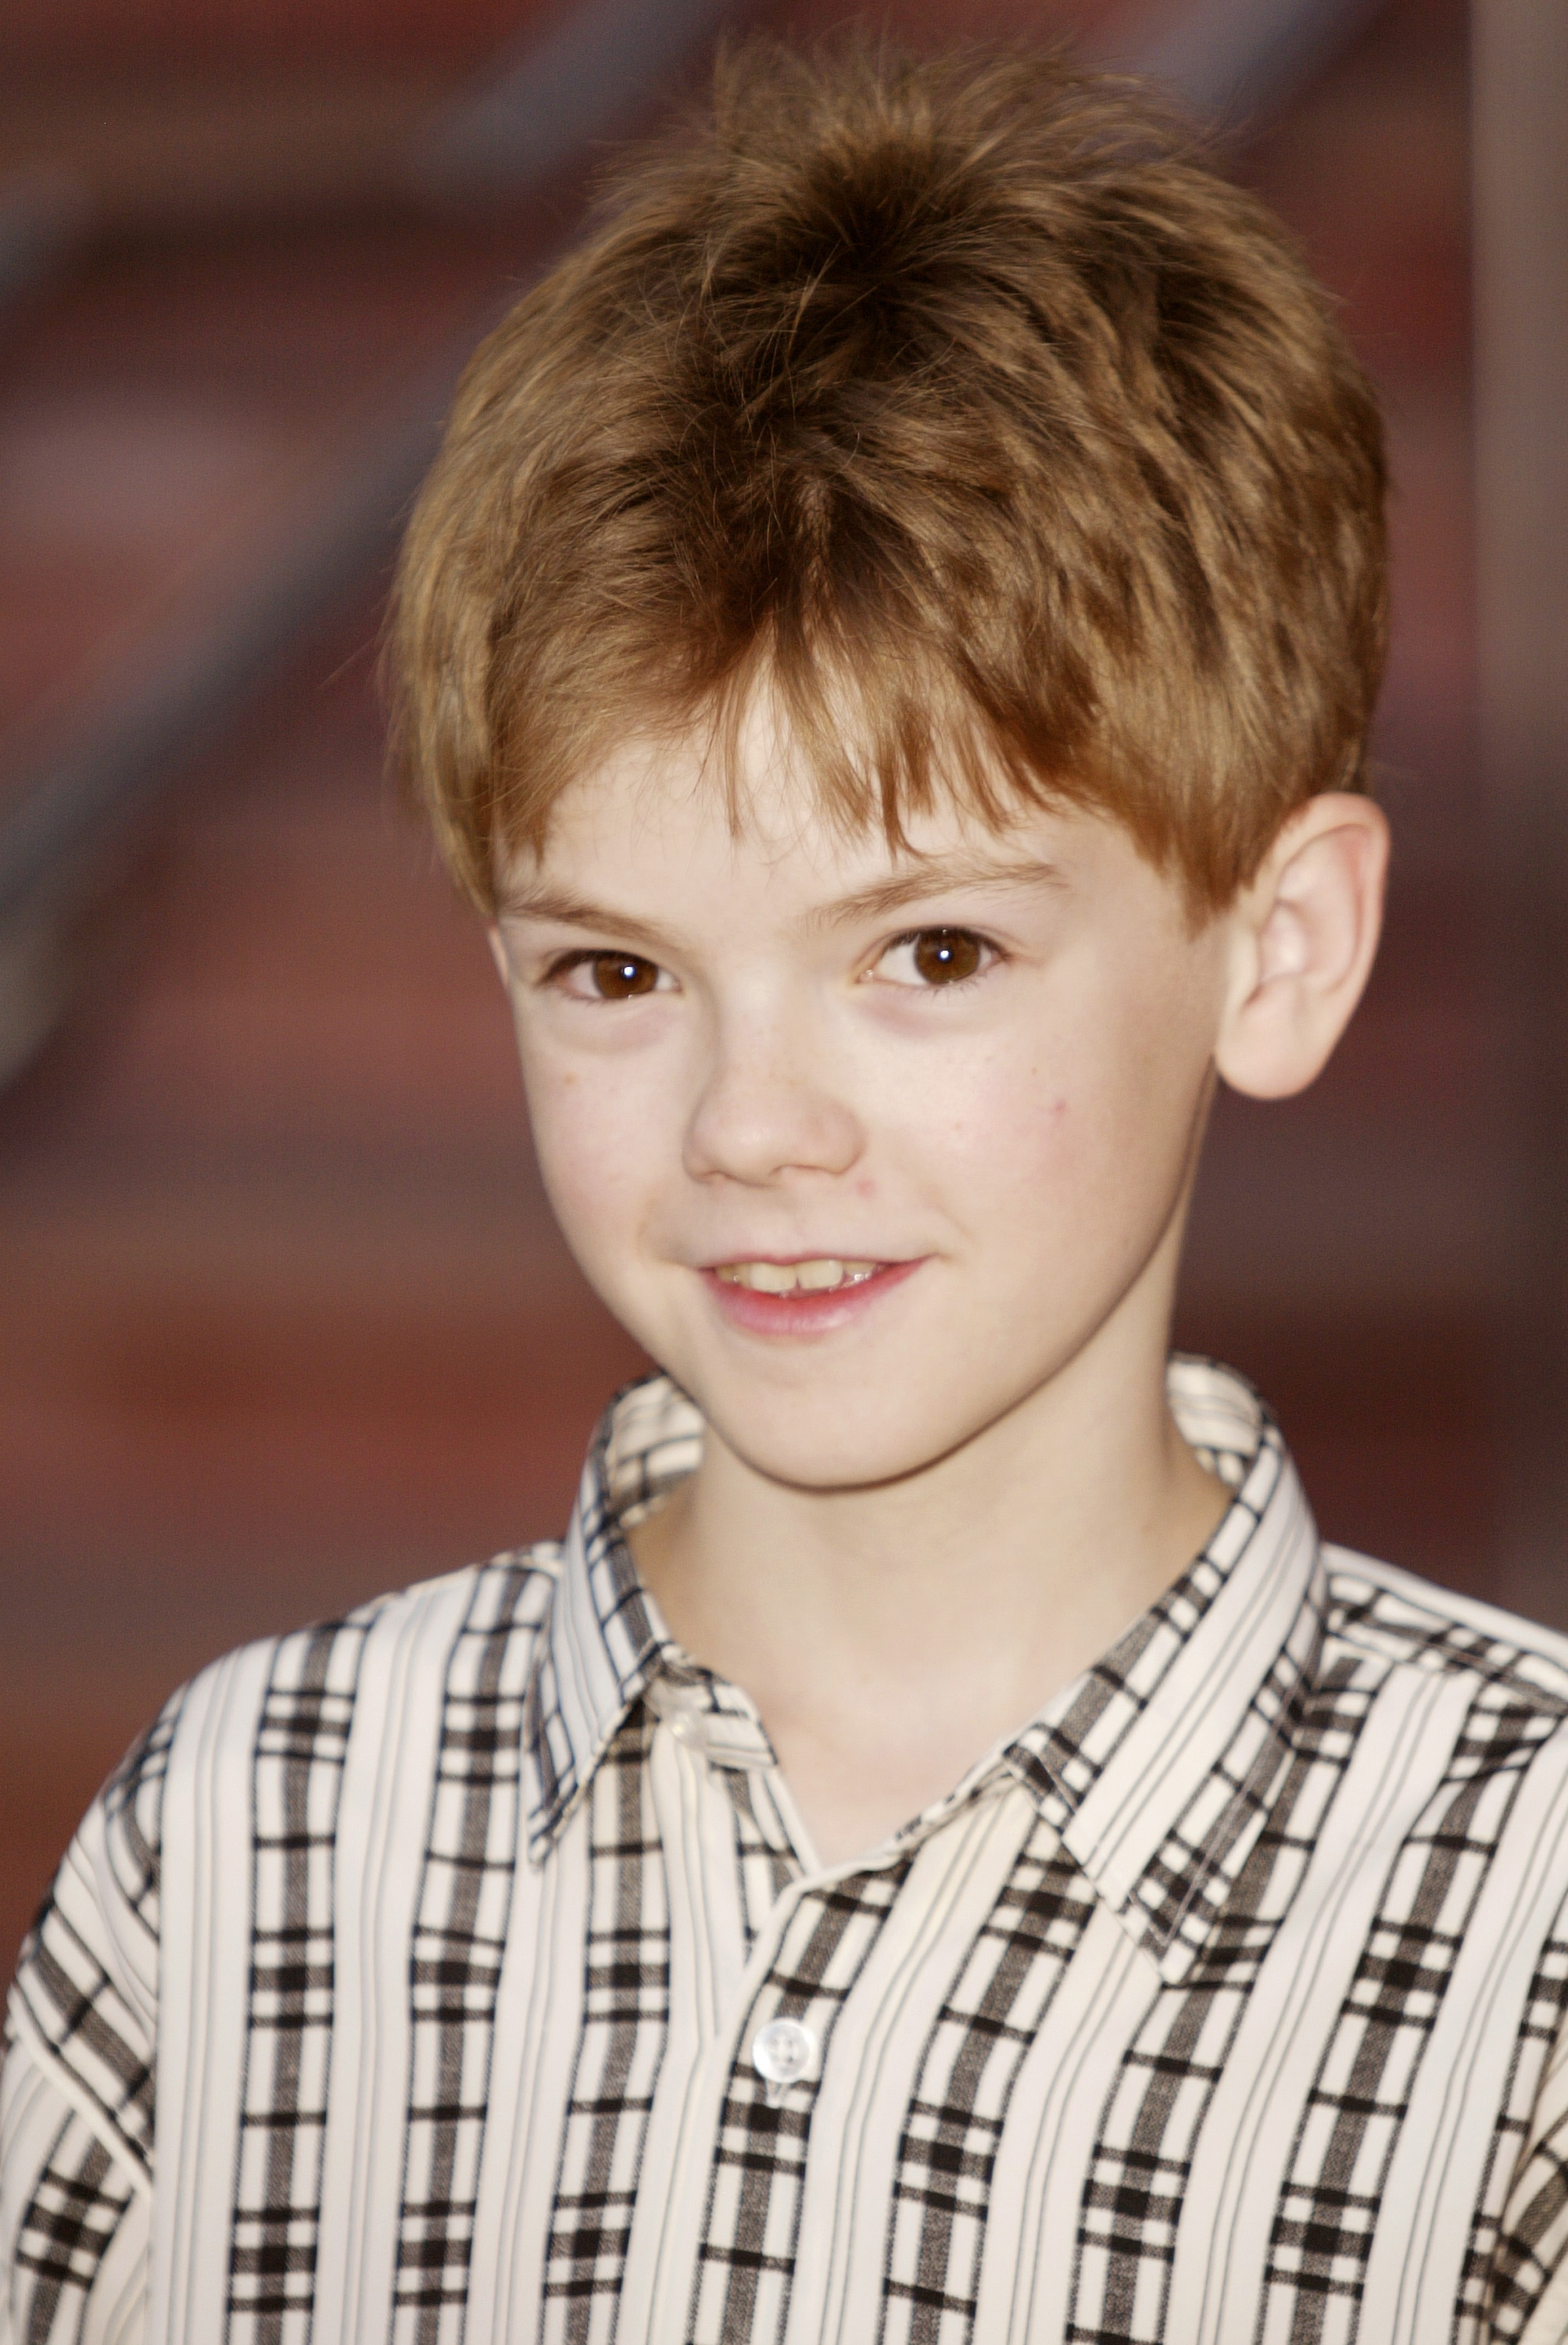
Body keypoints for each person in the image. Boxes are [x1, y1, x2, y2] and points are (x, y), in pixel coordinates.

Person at [4, 38, 1566, 2345]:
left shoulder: (1528, 1924)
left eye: (929, 951)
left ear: (1285, 947)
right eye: (619, 968)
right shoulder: (249, 1832)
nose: (753, 1125)